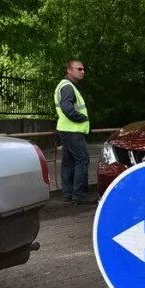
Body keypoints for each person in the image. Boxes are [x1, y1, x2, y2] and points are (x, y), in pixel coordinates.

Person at [54, 60, 96, 204]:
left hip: (67, 130)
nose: (83, 71)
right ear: (69, 70)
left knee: (68, 162)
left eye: (83, 69)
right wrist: (82, 118)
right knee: (82, 160)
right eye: (79, 69)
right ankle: (79, 195)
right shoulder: (67, 87)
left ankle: (68, 193)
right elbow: (67, 108)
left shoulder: (66, 85)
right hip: (73, 131)